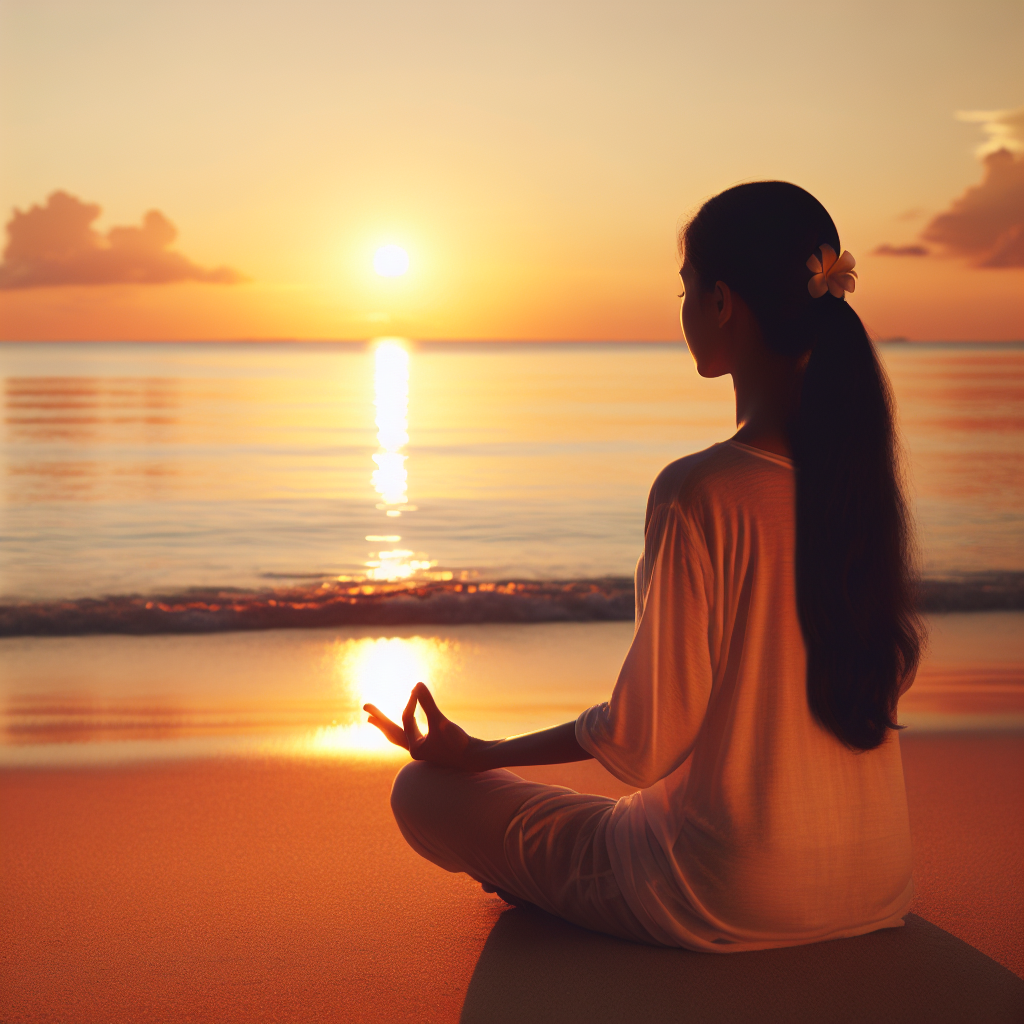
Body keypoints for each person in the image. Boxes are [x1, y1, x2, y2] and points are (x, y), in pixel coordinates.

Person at [364, 181, 924, 951]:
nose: (685, 307)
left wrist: (480, 754)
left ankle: (532, 874)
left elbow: (640, 743)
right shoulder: (859, 481)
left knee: (423, 791)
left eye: (687, 287)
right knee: (559, 813)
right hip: (875, 881)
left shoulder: (701, 490)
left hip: (721, 891)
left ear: (723, 301)